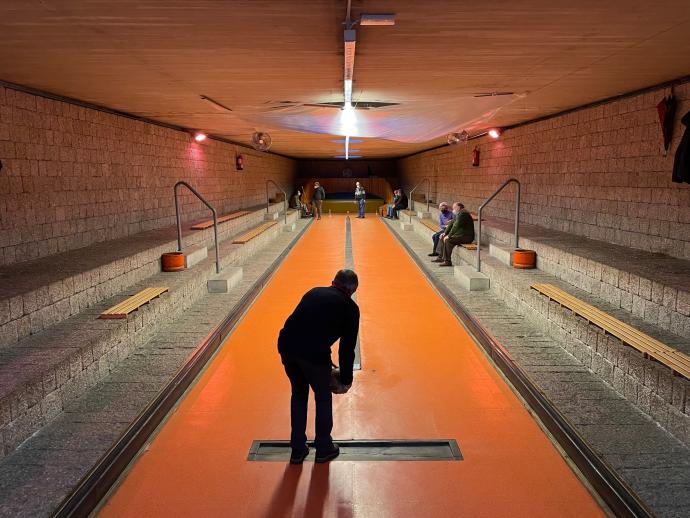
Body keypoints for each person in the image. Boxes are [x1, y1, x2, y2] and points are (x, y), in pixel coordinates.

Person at [277, 269, 360, 464]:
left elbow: (303, 326)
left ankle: (297, 450)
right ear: (352, 290)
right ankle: (323, 448)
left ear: (333, 282)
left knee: (298, 395)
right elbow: (346, 349)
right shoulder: (350, 308)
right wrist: (346, 380)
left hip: (287, 348)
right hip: (313, 355)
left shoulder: (313, 292)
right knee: (323, 398)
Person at [432, 202, 475, 266]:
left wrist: (449, 236)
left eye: (454, 208)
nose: (453, 209)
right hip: (460, 235)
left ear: (459, 207)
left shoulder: (463, 214)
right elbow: (451, 223)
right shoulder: (459, 214)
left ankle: (447, 261)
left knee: (448, 240)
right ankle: (440, 257)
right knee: (442, 237)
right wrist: (445, 233)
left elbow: (456, 226)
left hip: (466, 237)